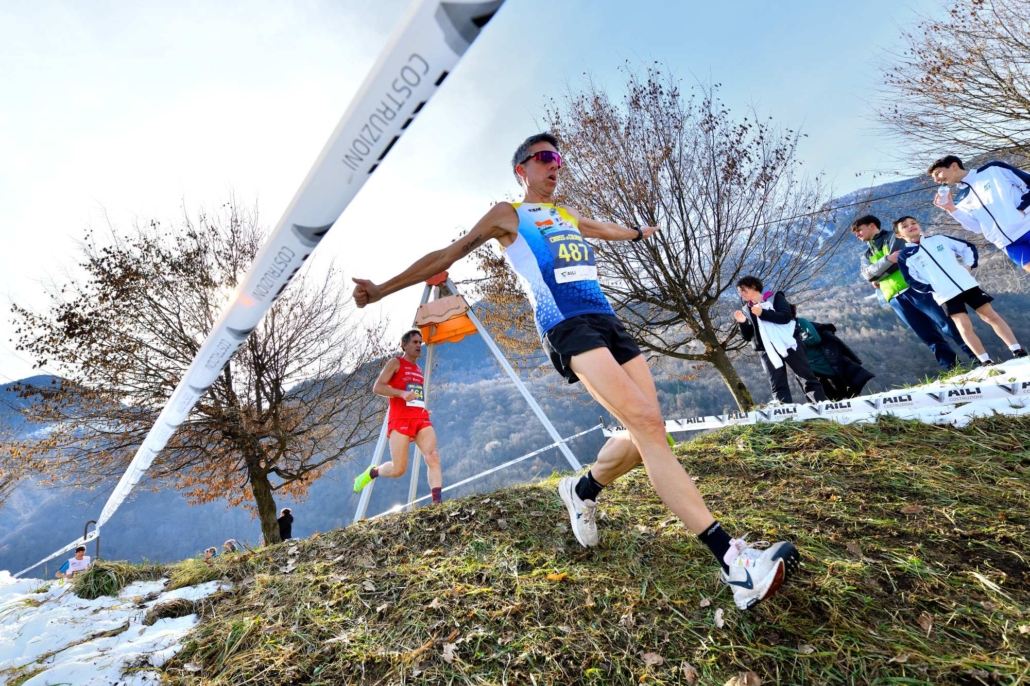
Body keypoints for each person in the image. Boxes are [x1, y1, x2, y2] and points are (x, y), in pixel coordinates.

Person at [351, 132, 800, 611]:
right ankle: (734, 564)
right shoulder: (509, 214)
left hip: (608, 321)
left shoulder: (565, 214)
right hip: (565, 323)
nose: (555, 165)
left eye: (559, 159)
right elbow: (447, 255)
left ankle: (581, 490)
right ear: (522, 169)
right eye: (545, 158)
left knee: (645, 431)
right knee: (648, 426)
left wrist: (636, 234)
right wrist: (381, 289)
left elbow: (600, 228)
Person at [895, 216, 1026, 366]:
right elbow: (912, 279)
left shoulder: (939, 239)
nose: (911, 226)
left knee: (990, 316)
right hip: (946, 295)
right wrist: (935, 288)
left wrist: (968, 266)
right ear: (899, 235)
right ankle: (985, 361)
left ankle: (1017, 349)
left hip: (967, 285)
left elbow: (967, 247)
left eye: (913, 223)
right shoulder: (905, 256)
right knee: (964, 326)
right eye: (905, 226)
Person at [851, 214, 974, 370]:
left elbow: (901, 260)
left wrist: (879, 274)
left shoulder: (895, 237)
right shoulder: (865, 255)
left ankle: (976, 356)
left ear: (872, 226)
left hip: (916, 288)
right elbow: (868, 275)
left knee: (948, 324)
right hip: (895, 298)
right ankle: (953, 367)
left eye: (859, 230)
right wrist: (888, 260)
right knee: (928, 335)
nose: (857, 235)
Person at [353, 329, 445, 504]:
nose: (419, 345)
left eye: (420, 343)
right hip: (400, 419)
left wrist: (422, 408)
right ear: (404, 345)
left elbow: (415, 395)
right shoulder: (395, 363)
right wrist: (401, 393)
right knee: (398, 470)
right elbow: (378, 387)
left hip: (419, 417)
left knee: (433, 455)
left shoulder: (418, 369)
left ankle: (437, 503)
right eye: (415, 342)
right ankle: (373, 472)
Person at [733, 276, 827, 405]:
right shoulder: (746, 309)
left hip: (789, 342)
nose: (741, 294)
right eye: (739, 292)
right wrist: (742, 323)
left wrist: (762, 313)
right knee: (777, 382)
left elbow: (786, 317)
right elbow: (748, 336)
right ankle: (784, 410)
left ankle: (820, 404)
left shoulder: (775, 297)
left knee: (805, 375)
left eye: (743, 290)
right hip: (767, 349)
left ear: (753, 287)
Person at [929, 155, 1030, 272]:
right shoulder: (959, 200)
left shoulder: (993, 169)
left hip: (1026, 227)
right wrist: (951, 209)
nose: (936, 180)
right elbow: (977, 228)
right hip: (1007, 243)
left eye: (937, 173)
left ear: (954, 166)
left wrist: (1023, 209)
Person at [795, 316, 874, 401]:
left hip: (825, 361)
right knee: (826, 393)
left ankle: (857, 402)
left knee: (845, 389)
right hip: (810, 366)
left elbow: (815, 339)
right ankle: (834, 404)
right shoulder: (786, 330)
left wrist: (798, 343)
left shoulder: (800, 322)